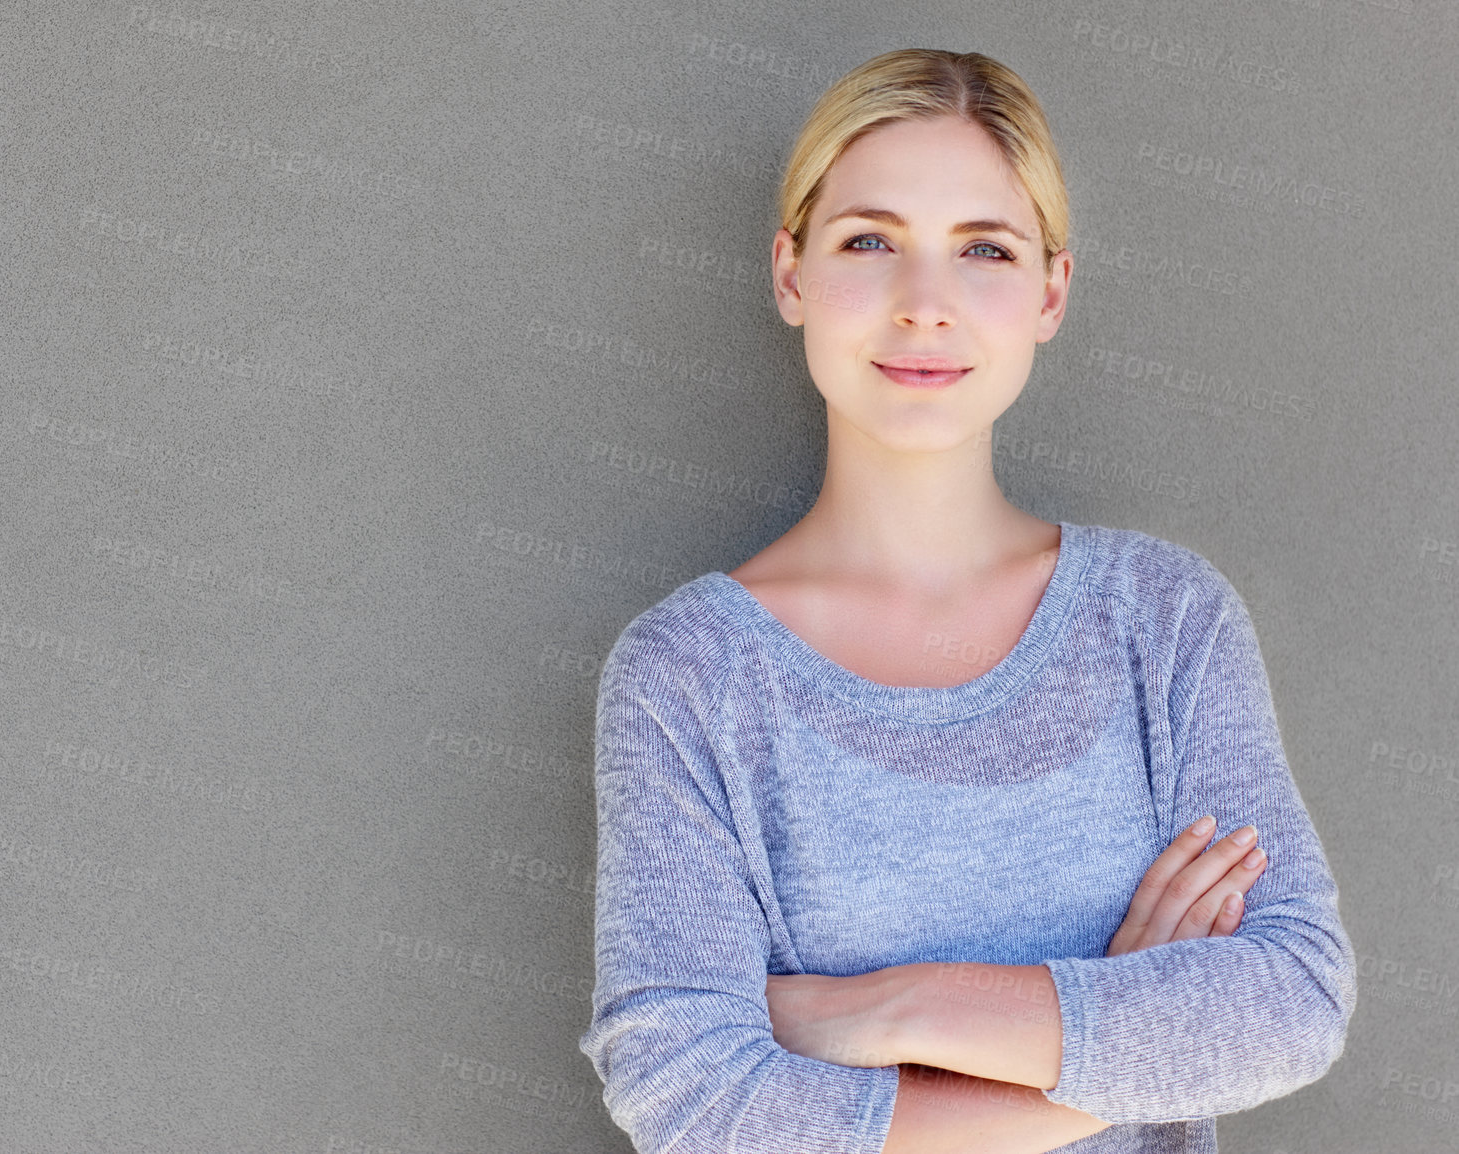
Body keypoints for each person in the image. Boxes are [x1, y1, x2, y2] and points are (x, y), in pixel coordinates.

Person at [576, 48, 1355, 1154]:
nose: (924, 303)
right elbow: (689, 1097)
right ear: (791, 275)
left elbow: (1290, 997)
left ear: (1050, 291)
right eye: (868, 242)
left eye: (982, 249)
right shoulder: (688, 672)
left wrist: (889, 1007)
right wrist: (1110, 1030)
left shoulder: (1163, 620)